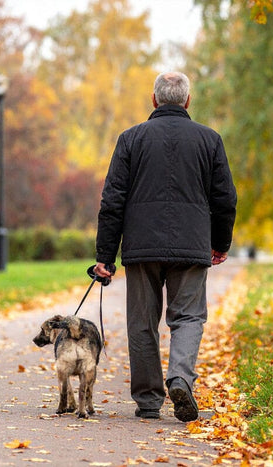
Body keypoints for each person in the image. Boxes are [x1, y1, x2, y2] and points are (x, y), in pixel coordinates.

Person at [93, 71, 237, 422]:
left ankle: (148, 400)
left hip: (141, 247)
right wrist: (219, 243)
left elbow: (113, 200)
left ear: (154, 100)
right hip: (191, 245)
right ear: (187, 101)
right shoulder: (210, 139)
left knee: (142, 322)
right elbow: (225, 198)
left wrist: (105, 258)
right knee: (188, 317)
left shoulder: (131, 139)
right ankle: (180, 378)